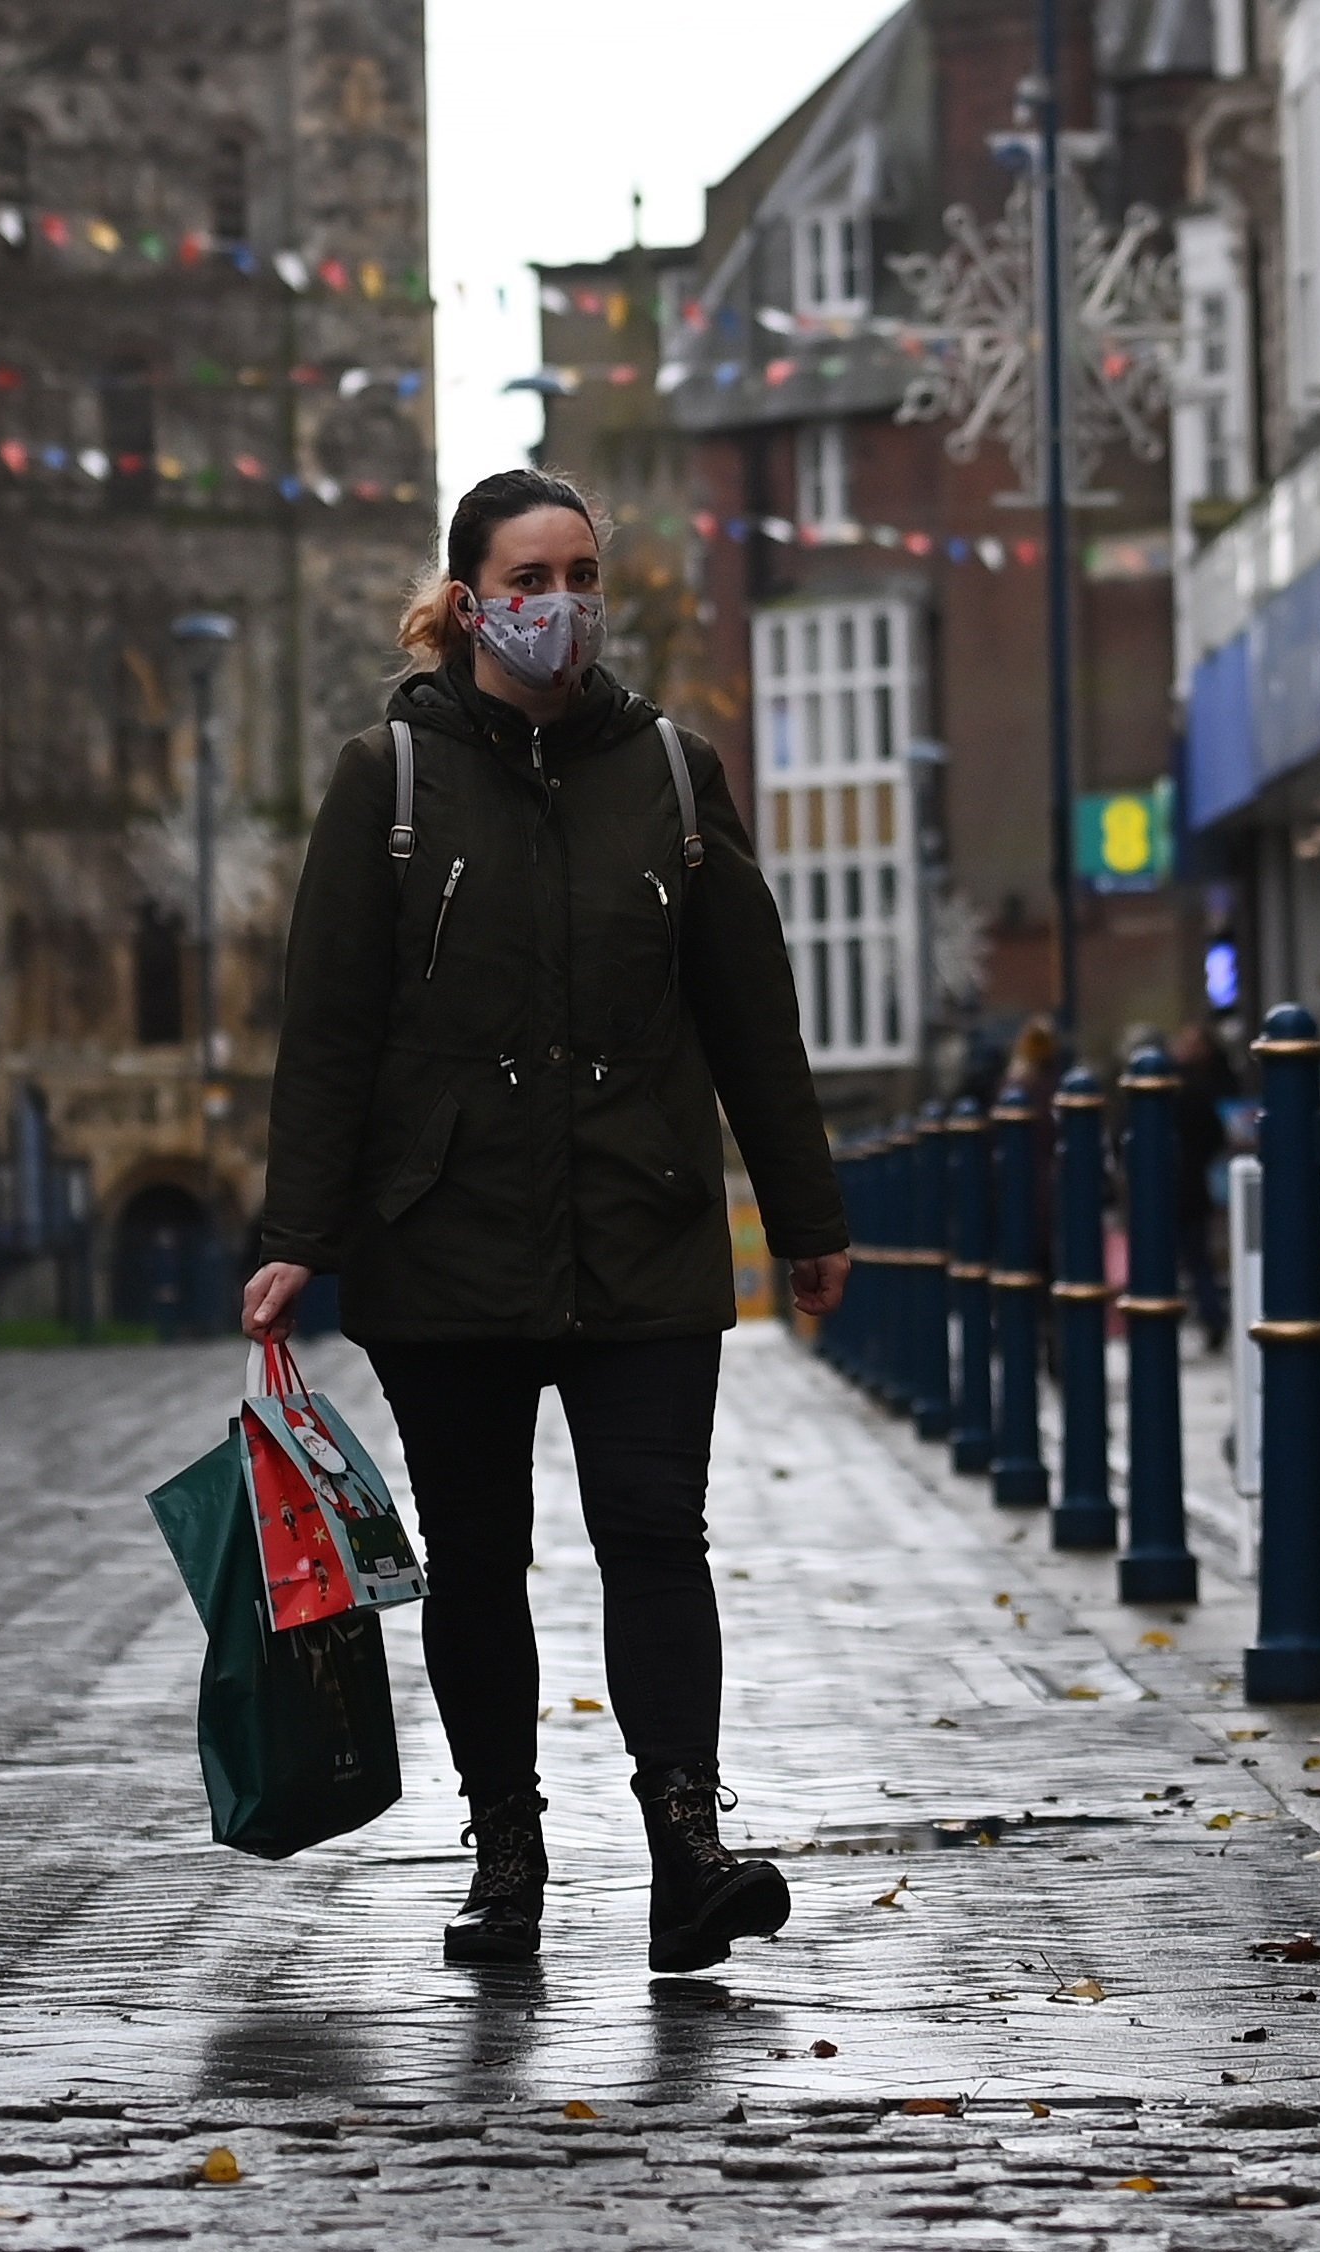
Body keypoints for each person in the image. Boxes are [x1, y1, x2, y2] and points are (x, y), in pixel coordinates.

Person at [243, 467, 850, 1975]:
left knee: (657, 1536)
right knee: (478, 1554)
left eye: (584, 572)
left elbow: (746, 1013)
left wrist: (804, 1209)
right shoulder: (384, 776)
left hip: (642, 1218)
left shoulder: (667, 772)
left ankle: (684, 1850)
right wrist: (296, 1229)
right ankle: (505, 1853)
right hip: (443, 1232)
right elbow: (328, 1027)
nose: (563, 601)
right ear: (465, 600)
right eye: (533, 574)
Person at [1167, 1017, 1237, 1352]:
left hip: (1180, 1189)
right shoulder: (1198, 1087)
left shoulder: (1186, 1088)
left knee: (1189, 1260)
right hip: (1191, 1187)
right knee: (1197, 1262)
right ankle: (1210, 1318)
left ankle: (1206, 1318)